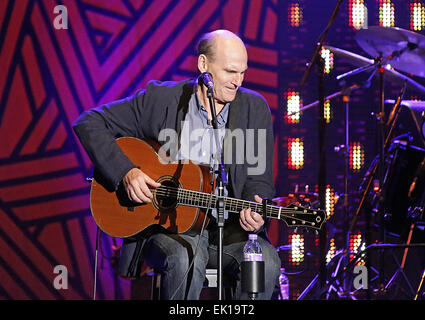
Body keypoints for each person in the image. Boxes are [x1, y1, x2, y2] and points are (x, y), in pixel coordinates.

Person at [73, 29, 281, 300]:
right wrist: (126, 172)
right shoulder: (161, 100)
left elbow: (258, 180)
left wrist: (256, 207)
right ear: (203, 64)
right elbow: (89, 122)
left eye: (243, 72)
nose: (238, 82)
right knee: (186, 256)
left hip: (228, 233)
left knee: (264, 261)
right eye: (230, 72)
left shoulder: (255, 108)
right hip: (166, 230)